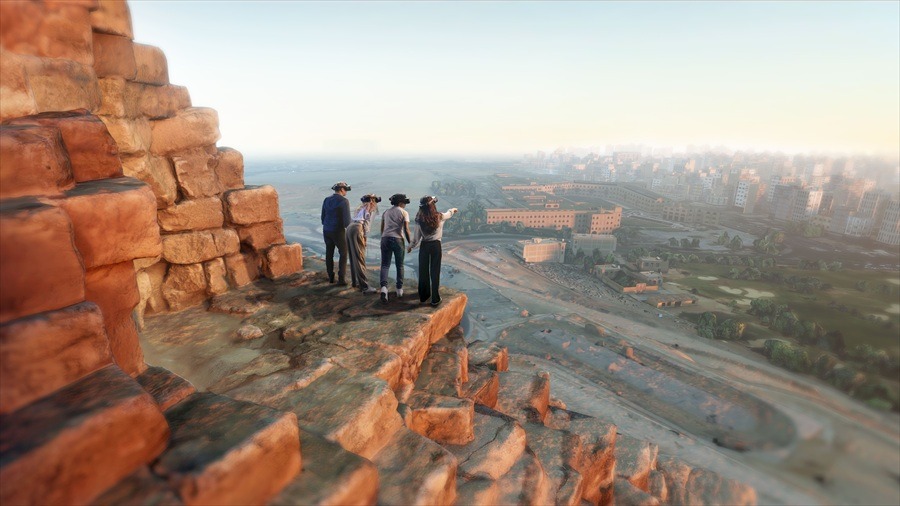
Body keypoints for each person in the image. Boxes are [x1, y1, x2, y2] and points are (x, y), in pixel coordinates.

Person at [408, 195, 457, 307]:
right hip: (436, 245)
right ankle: (435, 298)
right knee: (435, 271)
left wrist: (411, 246)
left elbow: (416, 238)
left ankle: (424, 296)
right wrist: (453, 209)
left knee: (423, 271)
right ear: (432, 205)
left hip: (424, 246)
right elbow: (449, 214)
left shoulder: (419, 219)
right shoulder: (439, 216)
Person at [379, 193, 411, 303]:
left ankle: (383, 289)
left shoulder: (386, 212)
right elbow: (406, 229)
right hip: (398, 239)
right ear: (401, 203)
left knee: (385, 265)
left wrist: (383, 238)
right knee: (400, 265)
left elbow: (382, 228)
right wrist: (410, 243)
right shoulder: (404, 212)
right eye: (405, 202)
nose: (405, 204)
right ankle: (399, 289)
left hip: (385, 239)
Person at [347, 193, 381, 293]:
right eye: (375, 201)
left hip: (350, 228)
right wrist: (365, 238)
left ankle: (355, 282)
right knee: (359, 258)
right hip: (357, 229)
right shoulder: (369, 207)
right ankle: (365, 287)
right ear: (371, 201)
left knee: (353, 256)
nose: (375, 203)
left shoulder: (359, 208)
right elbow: (366, 224)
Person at [321, 181, 351, 285]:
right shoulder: (344, 201)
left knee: (329, 253)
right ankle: (341, 279)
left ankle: (330, 277)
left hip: (326, 230)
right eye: (345, 189)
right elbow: (347, 221)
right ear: (342, 189)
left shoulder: (326, 199)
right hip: (338, 231)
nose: (346, 191)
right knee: (343, 253)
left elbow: (322, 217)